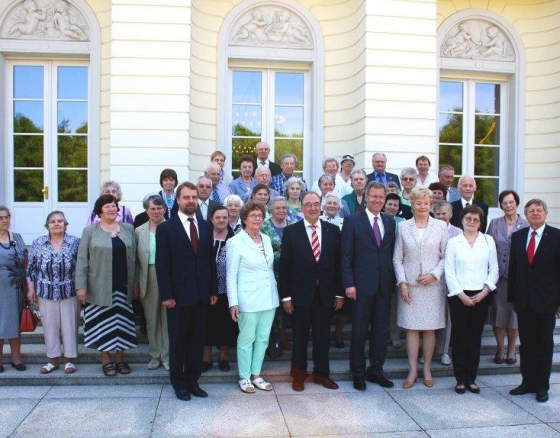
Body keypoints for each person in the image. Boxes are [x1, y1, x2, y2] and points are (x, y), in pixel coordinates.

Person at [155, 182, 217, 401]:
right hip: (177, 298)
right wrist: (167, 295)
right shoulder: (166, 229)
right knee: (178, 343)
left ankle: (193, 380)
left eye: (194, 197)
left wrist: (212, 290)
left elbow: (210, 261)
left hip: (201, 295)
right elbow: (162, 265)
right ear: (178, 200)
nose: (191, 201)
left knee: (196, 342)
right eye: (186, 197)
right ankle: (179, 383)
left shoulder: (205, 226)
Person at [280, 192, 343, 391]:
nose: (313, 208)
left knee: (322, 337)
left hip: (325, 294)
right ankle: (298, 375)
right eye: (308, 204)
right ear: (302, 208)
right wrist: (286, 297)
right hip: (300, 295)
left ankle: (321, 374)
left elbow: (338, 265)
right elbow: (285, 267)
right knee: (299, 338)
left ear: (321, 207)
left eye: (316, 204)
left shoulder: (333, 231)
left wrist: (339, 293)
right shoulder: (292, 232)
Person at [341, 181, 397, 390]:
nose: (377, 200)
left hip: (384, 286)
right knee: (359, 332)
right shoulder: (352, 221)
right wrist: (349, 284)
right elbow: (345, 256)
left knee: (381, 332)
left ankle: (376, 371)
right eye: (373, 196)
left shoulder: (389, 222)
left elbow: (390, 253)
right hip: (360, 286)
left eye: (381, 198)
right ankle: (358, 373)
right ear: (365, 196)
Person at [76, 194, 138, 377]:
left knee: (122, 325)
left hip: (123, 287)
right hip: (99, 288)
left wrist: (135, 283)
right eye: (107, 206)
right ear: (99, 210)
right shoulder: (90, 231)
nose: (111, 209)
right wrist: (81, 286)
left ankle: (120, 359)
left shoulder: (127, 229)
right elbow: (82, 260)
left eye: (114, 205)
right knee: (103, 325)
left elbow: (134, 259)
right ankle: (106, 360)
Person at [394, 187, 448, 389]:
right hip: (410, 287)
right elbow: (397, 258)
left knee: (429, 329)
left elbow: (445, 256)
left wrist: (434, 274)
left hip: (433, 285)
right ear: (412, 205)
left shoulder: (441, 226)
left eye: (426, 203)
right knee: (411, 329)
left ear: (431, 205)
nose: (423, 206)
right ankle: (412, 369)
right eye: (419, 203)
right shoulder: (403, 227)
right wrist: (402, 283)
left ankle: (427, 369)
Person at [508, 199, 560, 403]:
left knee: (544, 344)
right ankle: (527, 383)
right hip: (523, 301)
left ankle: (541, 386)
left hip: (547, 301)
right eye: (531, 211)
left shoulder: (556, 236)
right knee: (526, 344)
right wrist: (512, 297)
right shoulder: (519, 236)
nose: (535, 213)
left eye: (539, 210)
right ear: (526, 215)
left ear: (546, 214)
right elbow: (514, 269)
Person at [226, 201, 279, 394]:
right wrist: (233, 303)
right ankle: (244, 376)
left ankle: (256, 374)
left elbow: (269, 268)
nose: (257, 219)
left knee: (263, 338)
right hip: (247, 299)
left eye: (260, 215)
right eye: (253, 216)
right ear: (244, 218)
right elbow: (231, 276)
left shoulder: (266, 238)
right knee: (247, 338)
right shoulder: (235, 242)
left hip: (269, 297)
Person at [445, 205, 498, 394]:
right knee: (459, 337)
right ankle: (460, 379)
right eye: (468, 219)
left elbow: (494, 269)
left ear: (480, 222)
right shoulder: (454, 242)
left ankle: (472, 378)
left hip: (481, 295)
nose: (472, 222)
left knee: (475, 338)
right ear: (462, 219)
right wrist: (461, 295)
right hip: (459, 295)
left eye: (476, 220)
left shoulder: (488, 241)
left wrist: (484, 292)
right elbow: (449, 271)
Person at [27, 211, 80, 375]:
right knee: (50, 326)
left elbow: (82, 268)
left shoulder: (75, 243)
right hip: (45, 291)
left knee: (70, 325)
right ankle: (53, 360)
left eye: (60, 221)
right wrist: (31, 288)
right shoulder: (38, 243)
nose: (56, 224)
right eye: (52, 221)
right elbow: (31, 269)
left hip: (69, 290)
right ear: (47, 225)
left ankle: (70, 361)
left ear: (65, 224)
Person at [487, 190, 529, 365]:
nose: (508, 206)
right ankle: (500, 348)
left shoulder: (526, 224)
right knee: (499, 314)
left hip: (518, 277)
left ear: (516, 204)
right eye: (505, 203)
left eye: (511, 202)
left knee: (514, 316)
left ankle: (512, 349)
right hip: (499, 277)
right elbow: (488, 247)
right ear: (501, 205)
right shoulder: (495, 223)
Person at [134, 195, 169, 371]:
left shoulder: (173, 227)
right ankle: (155, 355)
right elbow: (134, 260)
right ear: (146, 211)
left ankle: (167, 356)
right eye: (152, 208)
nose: (156, 211)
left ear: (164, 209)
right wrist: (135, 282)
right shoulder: (139, 231)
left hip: (169, 277)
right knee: (152, 318)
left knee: (167, 319)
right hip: (148, 275)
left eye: (159, 208)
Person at [202, 206, 237, 373]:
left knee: (226, 324)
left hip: (227, 290)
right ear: (211, 219)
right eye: (218, 217)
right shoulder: (204, 237)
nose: (222, 220)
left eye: (225, 217)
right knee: (206, 323)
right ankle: (206, 357)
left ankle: (223, 356)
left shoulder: (234, 239)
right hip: (207, 288)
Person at [260, 197, 294, 352]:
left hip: (290, 275)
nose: (281, 210)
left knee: (287, 306)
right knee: (273, 307)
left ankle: (284, 337)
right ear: (271, 210)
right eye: (278, 208)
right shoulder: (264, 226)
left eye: (284, 208)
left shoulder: (293, 226)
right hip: (270, 274)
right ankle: (271, 341)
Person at [432, 201, 462, 366]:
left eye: (444, 213)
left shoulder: (458, 233)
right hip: (432, 281)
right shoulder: (429, 229)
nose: (441, 216)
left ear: (451, 214)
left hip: (451, 282)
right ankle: (427, 352)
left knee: (447, 319)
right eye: (438, 214)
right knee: (430, 319)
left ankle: (443, 351)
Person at [0, 206, 28, 372]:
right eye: (1, 218)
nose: (5, 220)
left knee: (15, 322)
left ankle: (16, 359)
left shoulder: (17, 237)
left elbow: (25, 260)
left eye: (7, 217)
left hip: (16, 286)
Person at [384, 194, 405, 350]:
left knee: (394, 306)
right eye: (390, 204)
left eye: (395, 205)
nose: (392, 207)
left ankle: (394, 335)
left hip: (397, 268)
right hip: (381, 267)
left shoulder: (402, 223)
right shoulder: (378, 220)